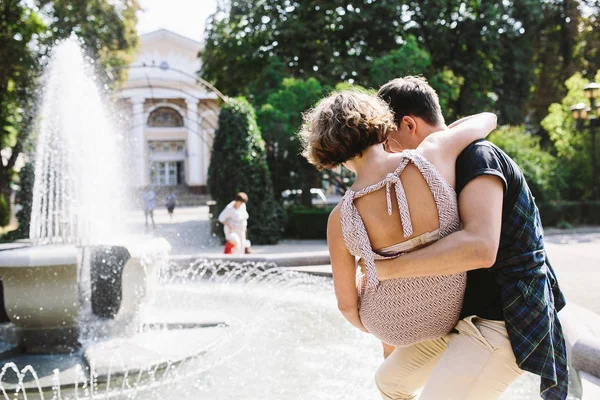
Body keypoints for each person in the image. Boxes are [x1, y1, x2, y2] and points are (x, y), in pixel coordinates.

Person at [373, 77, 567, 400]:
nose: (387, 155)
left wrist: (392, 269)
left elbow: (481, 247)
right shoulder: (438, 171)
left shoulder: (478, 157)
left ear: (409, 125)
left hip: (503, 320)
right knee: (390, 381)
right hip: (460, 317)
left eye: (388, 143)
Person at [299, 91, 497, 365]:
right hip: (447, 309)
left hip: (388, 326)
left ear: (330, 150)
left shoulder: (339, 218)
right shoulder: (433, 154)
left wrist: (380, 324)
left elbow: (346, 305)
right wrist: (446, 135)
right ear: (380, 124)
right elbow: (488, 120)